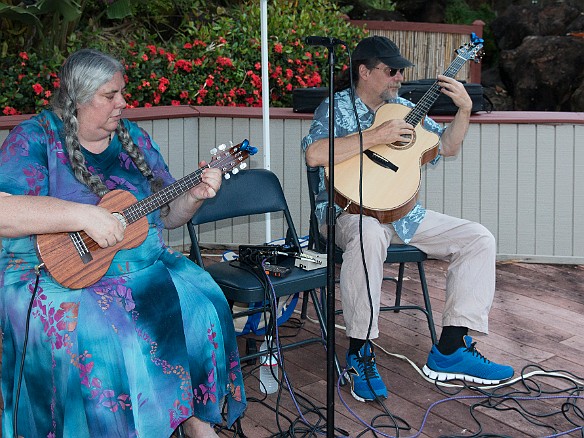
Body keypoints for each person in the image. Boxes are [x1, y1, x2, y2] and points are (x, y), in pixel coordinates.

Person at [0, 48, 246, 437]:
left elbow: (167, 215)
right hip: (53, 273)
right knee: (112, 335)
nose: (123, 103)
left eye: (122, 93)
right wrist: (81, 215)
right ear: (78, 98)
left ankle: (193, 420)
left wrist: (195, 194)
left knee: (203, 305)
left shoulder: (134, 139)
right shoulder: (35, 139)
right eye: (109, 95)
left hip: (142, 265)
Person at [301, 36, 514, 402]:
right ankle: (359, 349)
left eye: (401, 71)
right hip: (348, 212)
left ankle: (449, 350)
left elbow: (445, 147)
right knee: (369, 234)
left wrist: (463, 110)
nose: (399, 77)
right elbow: (314, 155)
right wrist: (375, 135)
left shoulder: (403, 107)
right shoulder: (334, 108)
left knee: (479, 238)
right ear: (364, 71)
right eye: (391, 71)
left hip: (403, 214)